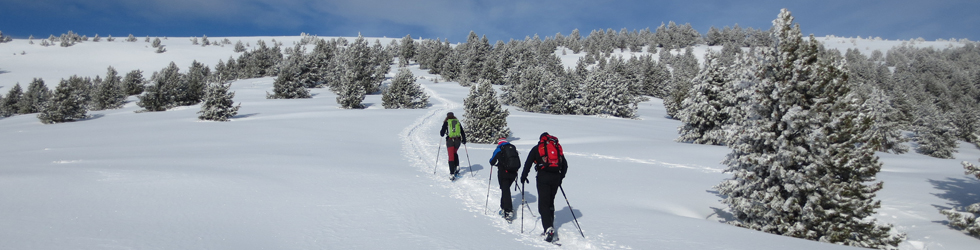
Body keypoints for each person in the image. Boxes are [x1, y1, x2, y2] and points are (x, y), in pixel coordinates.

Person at [521, 132, 568, 243]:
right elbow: (565, 165)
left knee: (543, 204)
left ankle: (548, 228)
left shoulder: (538, 148)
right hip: (555, 177)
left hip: (543, 177)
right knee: (550, 202)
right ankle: (550, 226)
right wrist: (560, 178)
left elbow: (528, 163)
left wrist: (524, 176)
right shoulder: (556, 148)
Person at [489, 137, 520, 221]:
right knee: (505, 189)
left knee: (505, 190)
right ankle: (503, 207)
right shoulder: (512, 148)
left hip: (503, 173)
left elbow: (492, 161)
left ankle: (508, 210)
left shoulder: (499, 149)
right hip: (513, 173)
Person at [439, 112, 467, 179]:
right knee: (454, 153)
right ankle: (457, 166)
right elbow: (462, 132)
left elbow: (442, 133)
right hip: (458, 140)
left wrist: (443, 132)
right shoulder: (457, 122)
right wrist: (464, 139)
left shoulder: (447, 122)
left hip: (450, 140)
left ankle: (452, 173)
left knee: (451, 155)